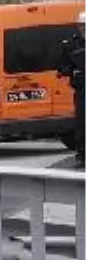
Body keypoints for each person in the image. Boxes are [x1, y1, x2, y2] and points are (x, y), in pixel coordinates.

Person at [56, 10, 86, 168]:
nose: (85, 29)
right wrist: (70, 71)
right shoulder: (71, 45)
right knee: (82, 123)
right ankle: (82, 155)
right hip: (82, 91)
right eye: (83, 26)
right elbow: (61, 66)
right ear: (78, 27)